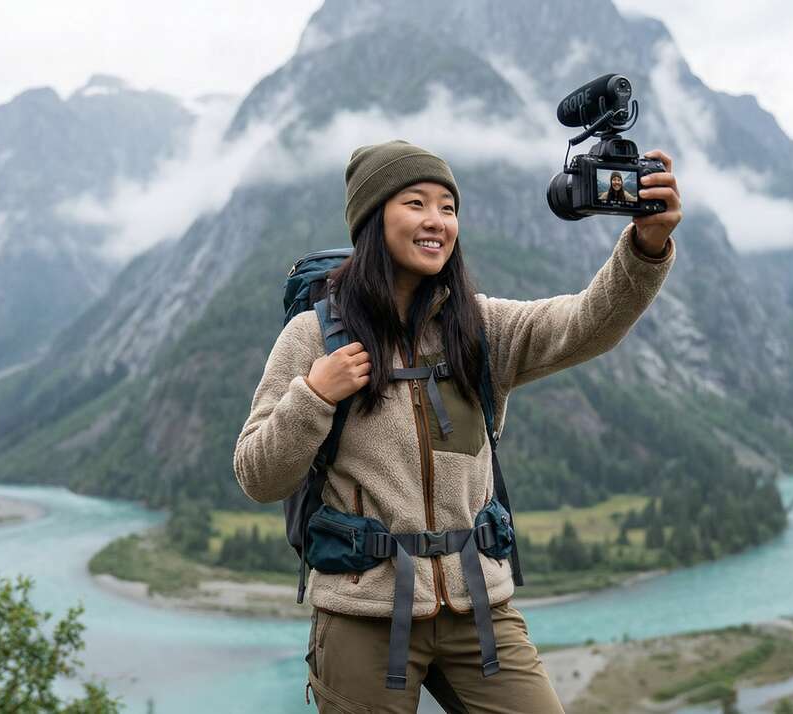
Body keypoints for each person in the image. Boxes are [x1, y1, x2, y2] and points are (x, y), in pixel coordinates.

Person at [234, 139, 680, 713]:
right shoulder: (313, 337)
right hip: (362, 614)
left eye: (448, 207)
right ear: (373, 219)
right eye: (415, 203)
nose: (436, 221)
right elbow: (256, 475)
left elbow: (586, 321)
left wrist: (647, 246)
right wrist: (314, 395)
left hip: (480, 608)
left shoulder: (479, 328)